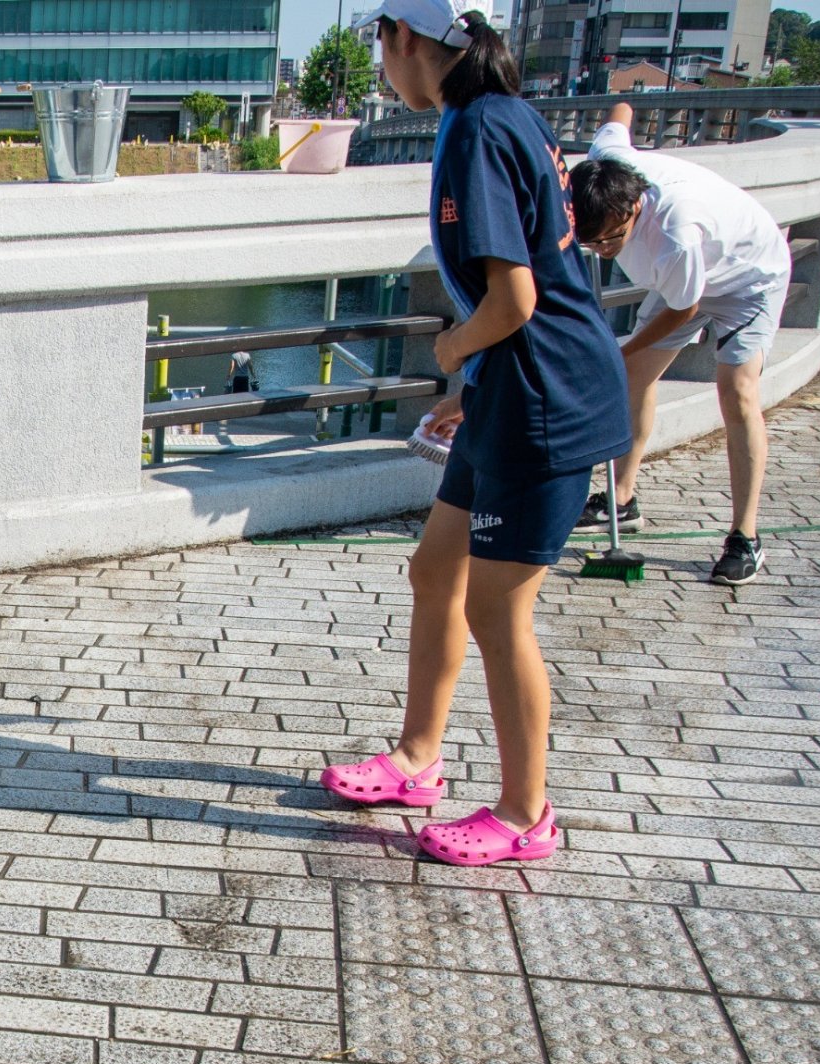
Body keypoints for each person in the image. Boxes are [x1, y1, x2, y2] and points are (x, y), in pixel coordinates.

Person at [320, 1, 630, 868]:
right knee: (434, 572)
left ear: (403, 38)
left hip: (546, 401)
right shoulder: (500, 112)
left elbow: (515, 299)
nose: (384, 66)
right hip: (510, 388)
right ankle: (419, 758)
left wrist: (454, 348)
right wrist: (472, 382)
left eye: (380, 47)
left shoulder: (476, 130)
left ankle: (528, 813)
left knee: (498, 608)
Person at [570, 103, 793, 586]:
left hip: (749, 278)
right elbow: (622, 111)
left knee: (737, 390)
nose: (605, 251)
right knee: (633, 379)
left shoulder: (676, 231)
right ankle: (622, 498)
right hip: (685, 283)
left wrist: (619, 350)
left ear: (634, 208)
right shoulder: (606, 160)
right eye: (594, 245)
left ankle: (745, 537)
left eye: (612, 241)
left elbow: (682, 311)